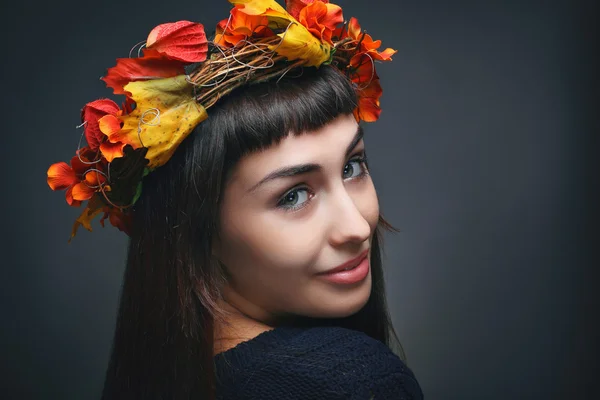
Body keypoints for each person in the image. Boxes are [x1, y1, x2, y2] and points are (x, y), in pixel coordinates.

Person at [47, 1, 424, 398]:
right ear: (198, 230)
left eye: (352, 168)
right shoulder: (348, 381)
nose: (357, 226)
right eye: (294, 196)